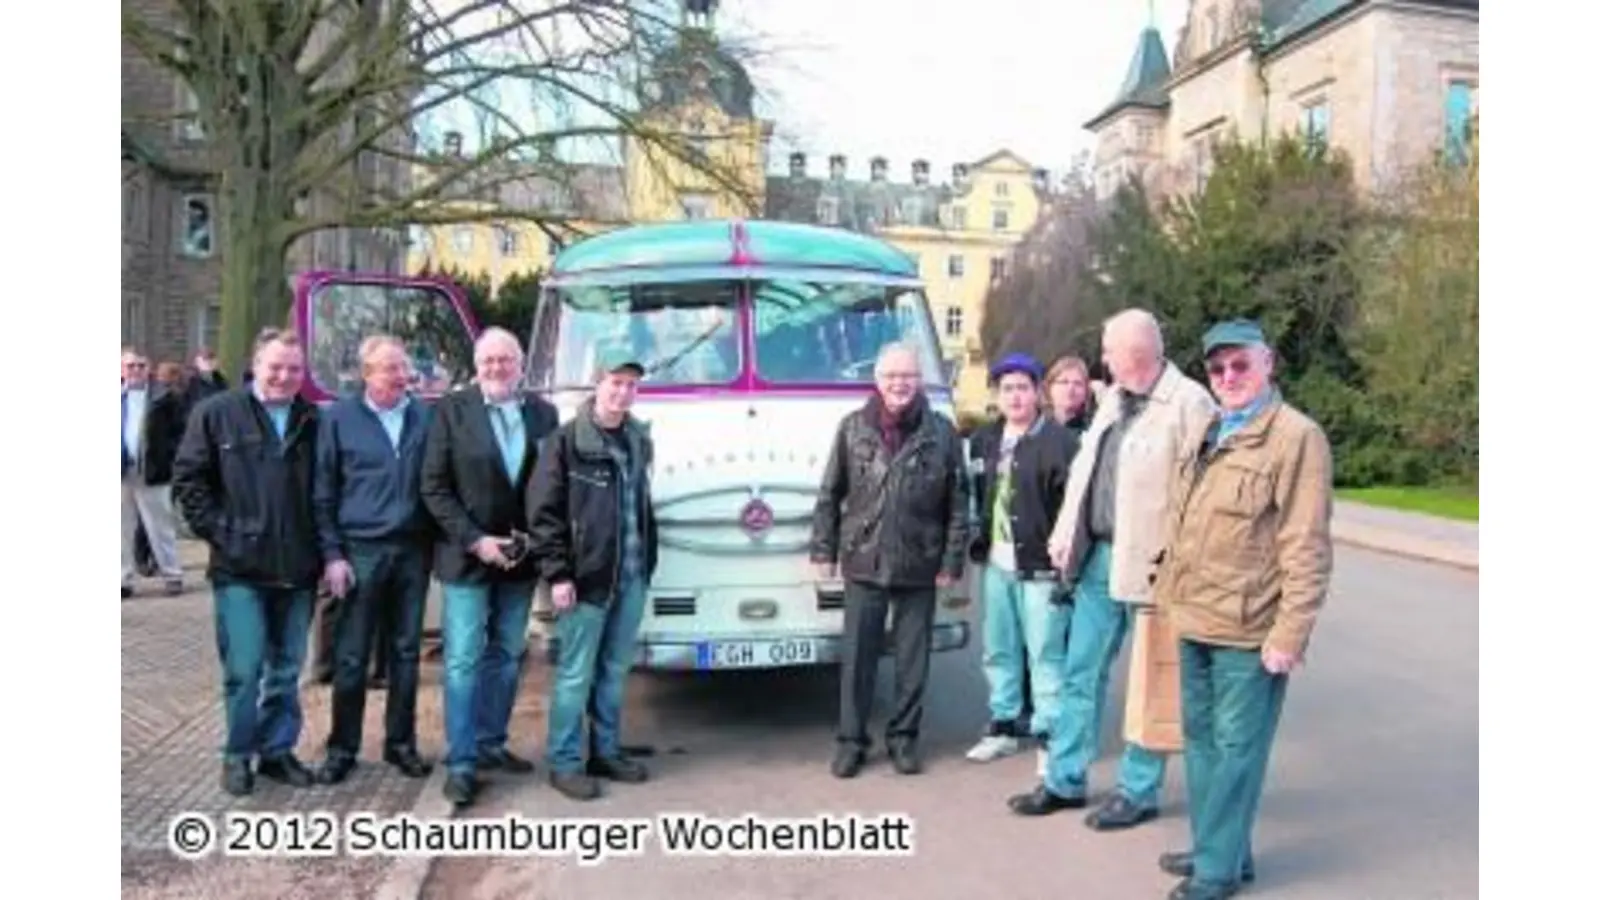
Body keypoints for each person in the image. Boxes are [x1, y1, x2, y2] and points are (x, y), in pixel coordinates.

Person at [1010, 308, 1214, 830]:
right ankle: (1064, 779)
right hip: (1100, 557)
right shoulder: (1113, 401)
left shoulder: (1189, 403)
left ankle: (1138, 791)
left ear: (1137, 353)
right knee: (1081, 672)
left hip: (1156, 566)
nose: (1102, 358)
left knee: (1150, 683)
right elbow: (1086, 475)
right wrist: (1064, 536)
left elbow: (1205, 495)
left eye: (1108, 350)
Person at [1152, 320, 1333, 900]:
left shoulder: (1296, 437)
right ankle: (1221, 848)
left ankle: (1216, 872)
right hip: (1195, 618)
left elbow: (1306, 546)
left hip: (1250, 630)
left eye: (1239, 365)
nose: (1227, 377)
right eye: (1216, 368)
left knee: (1236, 754)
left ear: (1268, 364)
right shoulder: (1210, 428)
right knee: (1202, 746)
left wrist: (1291, 634)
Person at [171, 329, 322, 796]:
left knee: (287, 667)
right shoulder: (217, 414)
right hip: (240, 569)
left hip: (297, 568)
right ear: (256, 365)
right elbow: (189, 481)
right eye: (275, 366)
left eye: (294, 369)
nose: (284, 376)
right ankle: (238, 755)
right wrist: (222, 534)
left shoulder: (313, 419)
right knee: (245, 666)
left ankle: (277, 750)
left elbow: (327, 489)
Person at [811, 342, 969, 779]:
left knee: (912, 661)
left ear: (919, 381)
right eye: (891, 376)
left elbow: (959, 503)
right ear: (877, 381)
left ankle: (904, 739)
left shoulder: (942, 433)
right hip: (864, 558)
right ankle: (851, 742)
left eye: (908, 376)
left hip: (921, 559)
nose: (899, 384)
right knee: (857, 660)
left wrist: (952, 561)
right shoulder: (851, 429)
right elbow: (830, 493)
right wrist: (823, 548)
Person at [421, 327, 558, 808]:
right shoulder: (451, 411)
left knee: (506, 655)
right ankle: (461, 763)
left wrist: (534, 541)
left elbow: (547, 484)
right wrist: (476, 541)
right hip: (469, 558)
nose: (497, 368)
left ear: (521, 364)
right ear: (476, 365)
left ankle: (491, 743)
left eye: (507, 359)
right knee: (462, 660)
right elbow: (434, 488)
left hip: (519, 562)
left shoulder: (543, 413)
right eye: (489, 360)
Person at [526, 349, 660, 801]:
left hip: (632, 575)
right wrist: (558, 574)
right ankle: (564, 763)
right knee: (574, 673)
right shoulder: (565, 443)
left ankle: (605, 751)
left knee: (614, 670)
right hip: (585, 580)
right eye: (615, 382)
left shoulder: (637, 439)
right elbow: (543, 515)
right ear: (596, 384)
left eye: (630, 384)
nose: (622, 392)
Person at [312, 335, 436, 785]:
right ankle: (343, 748)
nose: (400, 375)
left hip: (412, 551)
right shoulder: (340, 418)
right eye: (389, 368)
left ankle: (400, 743)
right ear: (366, 373)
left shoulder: (426, 416)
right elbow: (323, 491)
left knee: (406, 652)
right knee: (351, 656)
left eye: (403, 367)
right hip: (359, 551)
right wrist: (332, 554)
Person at [964, 354, 1078, 763]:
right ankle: (1004, 724)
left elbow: (1072, 506)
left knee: (1045, 653)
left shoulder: (1061, 442)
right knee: (998, 649)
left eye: (1022, 387)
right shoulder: (983, 440)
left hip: (1041, 568)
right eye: (1007, 388)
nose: (1015, 396)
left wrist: (1067, 558)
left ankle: (1050, 733)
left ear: (1037, 392)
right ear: (997, 394)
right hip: (996, 564)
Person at [121, 350, 189, 598]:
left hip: (153, 470)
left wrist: (170, 460)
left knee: (160, 525)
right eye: (130, 366)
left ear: (148, 368)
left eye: (140, 365)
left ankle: (172, 574)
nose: (135, 370)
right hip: (121, 470)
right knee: (121, 528)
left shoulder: (164, 397)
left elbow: (181, 432)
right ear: (121, 370)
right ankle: (123, 578)